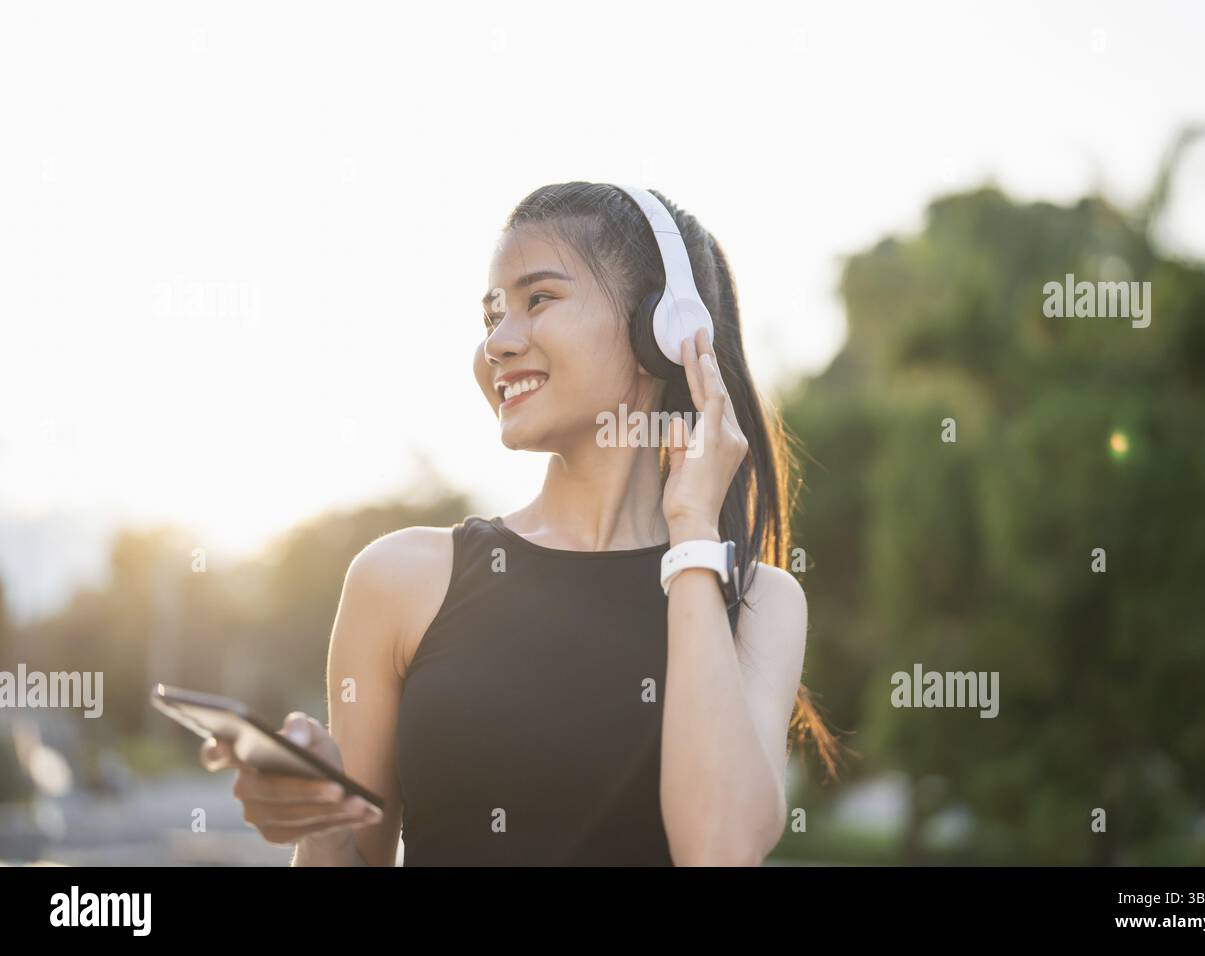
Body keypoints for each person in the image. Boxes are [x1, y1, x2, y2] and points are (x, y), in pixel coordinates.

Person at [201, 182, 841, 865]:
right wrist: (319, 823)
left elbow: (716, 851)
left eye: (538, 300)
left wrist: (691, 528)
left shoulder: (757, 601)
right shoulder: (400, 579)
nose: (500, 343)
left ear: (665, 328)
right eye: (491, 315)